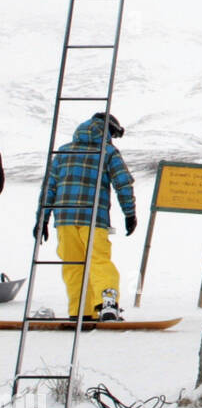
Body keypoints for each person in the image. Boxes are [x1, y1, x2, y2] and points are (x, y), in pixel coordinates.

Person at [34, 112, 137, 322]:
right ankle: (108, 303)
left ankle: (80, 310)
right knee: (98, 260)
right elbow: (123, 183)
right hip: (93, 218)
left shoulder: (63, 152)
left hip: (64, 219)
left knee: (73, 264)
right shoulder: (108, 152)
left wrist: (42, 219)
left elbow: (49, 187)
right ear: (108, 130)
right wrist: (130, 213)